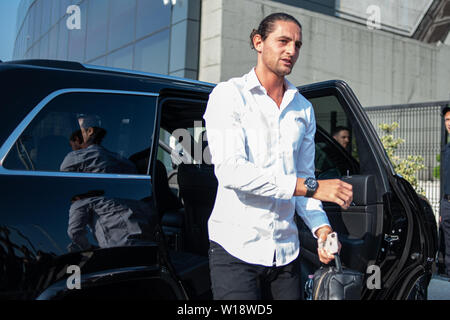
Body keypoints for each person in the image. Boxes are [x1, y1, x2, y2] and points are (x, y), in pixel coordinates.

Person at [203, 12, 353, 300]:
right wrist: (311, 187)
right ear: (258, 42)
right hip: (236, 250)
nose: (291, 51)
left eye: (297, 44)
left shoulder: (303, 109)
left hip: (286, 253)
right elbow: (232, 171)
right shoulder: (229, 95)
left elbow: (305, 182)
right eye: (283, 41)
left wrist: (322, 230)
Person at [60, 115, 137, 174]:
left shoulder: (74, 159)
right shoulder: (125, 163)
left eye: (78, 131)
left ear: (90, 131)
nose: (75, 137)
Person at [441, 105, 450, 278]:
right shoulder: (446, 149)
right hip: (447, 203)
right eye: (447, 120)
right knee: (448, 242)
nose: (449, 123)